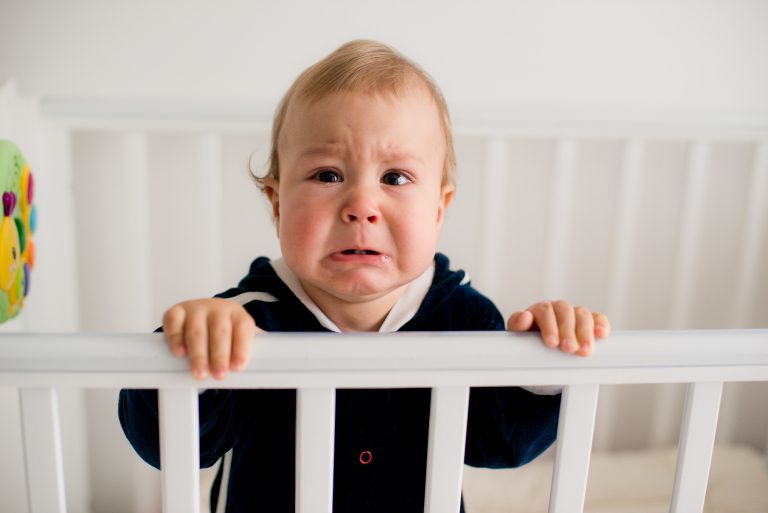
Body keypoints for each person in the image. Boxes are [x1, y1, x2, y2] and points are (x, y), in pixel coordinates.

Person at [118, 40, 610, 513]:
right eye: (328, 175)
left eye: (395, 178)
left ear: (439, 210)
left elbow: (502, 442)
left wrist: (542, 367)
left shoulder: (459, 318)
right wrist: (189, 349)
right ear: (276, 203)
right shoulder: (246, 320)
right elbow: (169, 445)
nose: (360, 207)